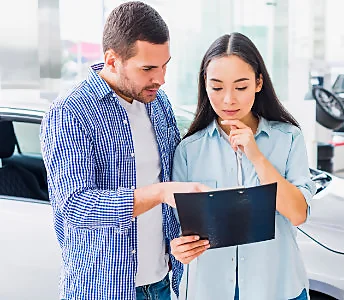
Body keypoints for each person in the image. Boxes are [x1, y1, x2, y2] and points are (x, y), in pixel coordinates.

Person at [39, 2, 206, 299]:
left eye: (165, 65)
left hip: (161, 283)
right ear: (112, 60)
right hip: (103, 290)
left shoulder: (159, 103)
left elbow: (175, 174)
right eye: (149, 68)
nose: (161, 78)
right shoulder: (71, 113)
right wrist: (158, 192)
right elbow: (74, 206)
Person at [170, 32, 316, 300]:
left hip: (277, 289)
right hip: (210, 290)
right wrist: (180, 249)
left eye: (240, 87)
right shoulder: (188, 151)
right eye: (217, 87)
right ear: (205, 84)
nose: (228, 100)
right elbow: (181, 230)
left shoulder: (288, 138)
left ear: (259, 83)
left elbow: (297, 214)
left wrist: (256, 156)